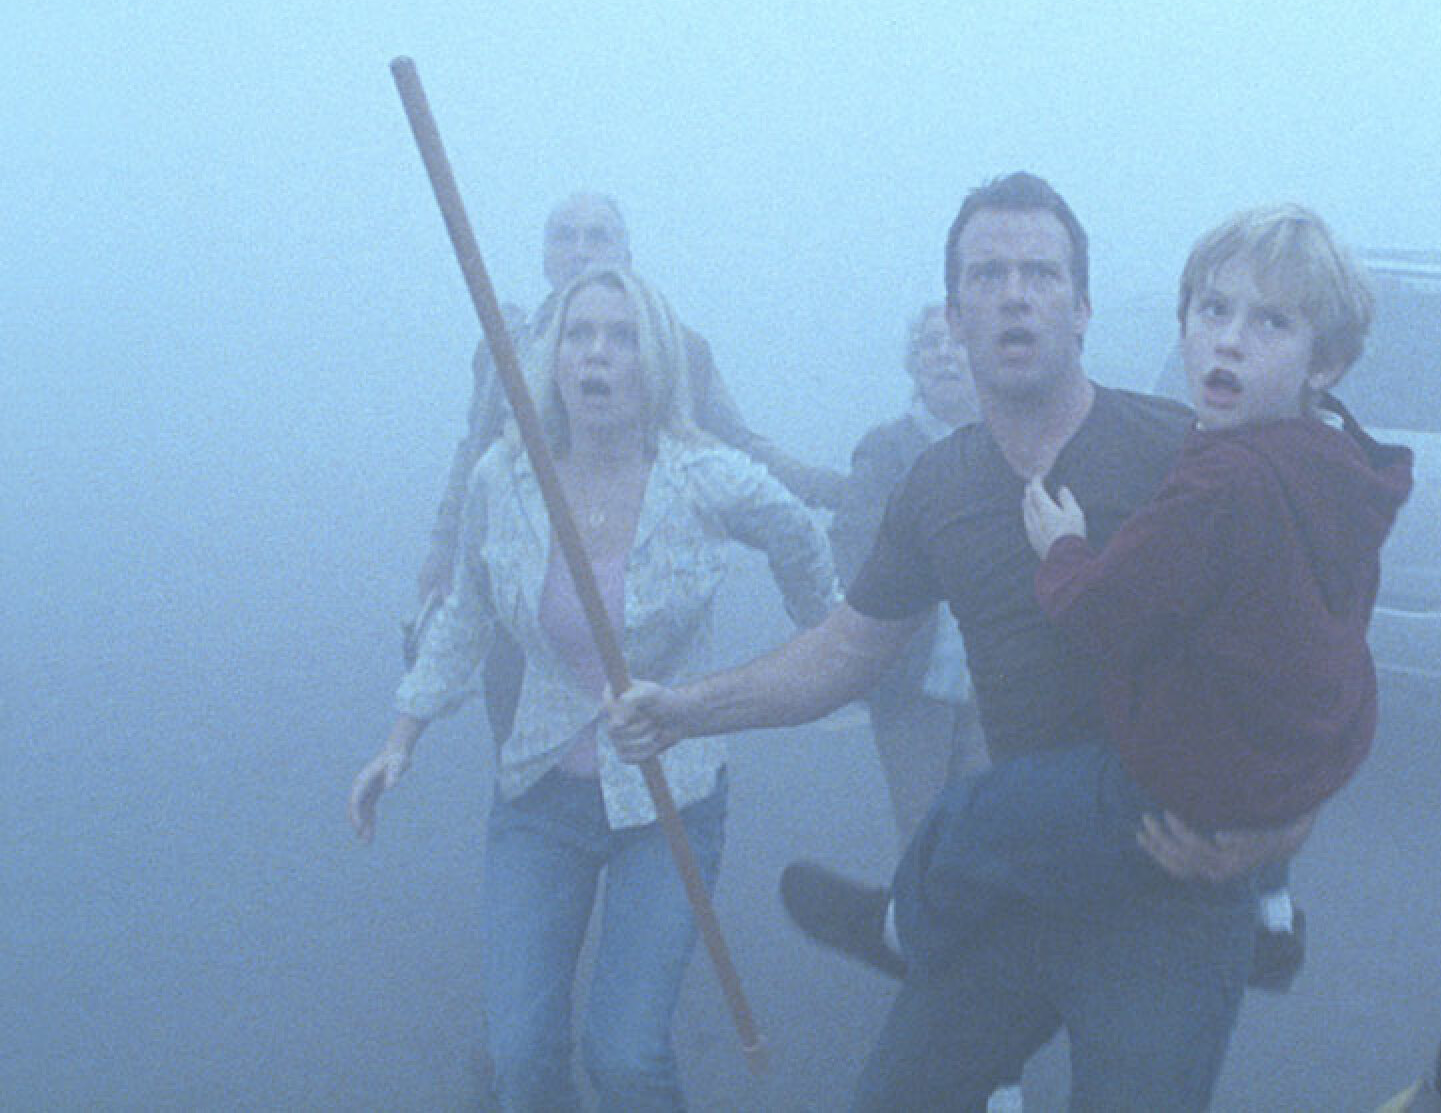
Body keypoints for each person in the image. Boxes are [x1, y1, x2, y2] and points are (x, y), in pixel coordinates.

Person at [606, 173, 1310, 1111]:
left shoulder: (1183, 454)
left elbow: (1302, 666)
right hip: (1013, 891)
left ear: (1083, 309)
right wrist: (686, 710)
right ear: (955, 316)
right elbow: (845, 653)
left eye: (1039, 273)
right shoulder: (937, 489)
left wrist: (1276, 834)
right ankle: (912, 928)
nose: (1014, 292)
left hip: (1171, 892)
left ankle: (904, 921)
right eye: (987, 275)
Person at [883, 204, 1414, 993]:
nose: (1230, 339)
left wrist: (1062, 549)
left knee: (973, 813)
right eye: (1214, 310)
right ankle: (1270, 909)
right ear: (1185, 319)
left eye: (1270, 322)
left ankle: (897, 932)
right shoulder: (1338, 470)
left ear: (1324, 362)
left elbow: (1105, 617)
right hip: (1291, 762)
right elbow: (1338, 623)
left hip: (1183, 778)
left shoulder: (1218, 478)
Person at [351, 266, 838, 1112]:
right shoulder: (503, 481)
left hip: (672, 798)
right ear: (553, 358)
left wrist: (826, 645)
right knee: (524, 1060)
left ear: (653, 361)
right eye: (581, 335)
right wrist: (401, 738)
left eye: (621, 337)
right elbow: (466, 616)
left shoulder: (703, 477)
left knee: (626, 1060)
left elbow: (798, 534)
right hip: (538, 796)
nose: (598, 356)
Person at [413, 191, 843, 743]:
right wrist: (442, 546)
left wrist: (824, 487)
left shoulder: (677, 348)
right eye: (564, 236)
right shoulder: (504, 346)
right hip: (525, 590)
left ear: (626, 255)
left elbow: (734, 441)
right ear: (546, 257)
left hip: (636, 590)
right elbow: (474, 449)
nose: (580, 251)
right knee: (522, 738)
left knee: (641, 742)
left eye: (598, 236)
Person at [827, 302, 987, 842]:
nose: (943, 355)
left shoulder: (1011, 441)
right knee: (926, 838)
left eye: (957, 342)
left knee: (991, 835)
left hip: (995, 681)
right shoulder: (886, 448)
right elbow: (856, 555)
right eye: (929, 344)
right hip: (913, 681)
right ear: (912, 364)